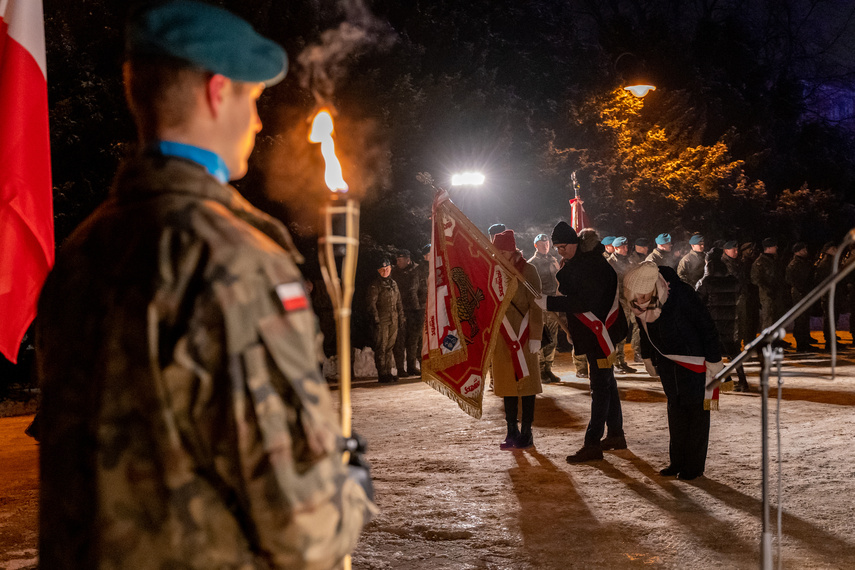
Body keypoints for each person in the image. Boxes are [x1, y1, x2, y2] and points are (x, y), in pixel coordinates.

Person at [34, 3, 376, 568]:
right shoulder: (232, 258)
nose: (259, 121)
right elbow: (303, 528)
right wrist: (346, 494)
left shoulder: (82, 251)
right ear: (218, 92)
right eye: (253, 98)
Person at [625, 262, 723, 480]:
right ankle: (676, 461)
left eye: (643, 296)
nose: (639, 302)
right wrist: (648, 356)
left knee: (696, 413)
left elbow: (706, 327)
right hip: (669, 365)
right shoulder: (640, 301)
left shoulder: (681, 295)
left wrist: (714, 360)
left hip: (694, 362)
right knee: (676, 412)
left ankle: (694, 466)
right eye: (636, 297)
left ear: (654, 287)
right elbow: (644, 329)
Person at [541, 222, 629, 463]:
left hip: (600, 335)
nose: (560, 252)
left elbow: (582, 301)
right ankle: (616, 434)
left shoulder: (591, 265)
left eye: (562, 247)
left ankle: (592, 443)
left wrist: (549, 303)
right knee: (607, 383)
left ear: (574, 243)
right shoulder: (585, 262)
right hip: (598, 334)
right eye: (557, 248)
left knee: (600, 387)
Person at [492, 230, 544, 449]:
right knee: (506, 386)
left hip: (523, 336)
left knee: (528, 385)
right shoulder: (493, 271)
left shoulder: (528, 271)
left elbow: (536, 304)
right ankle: (511, 430)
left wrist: (535, 336)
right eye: (498, 251)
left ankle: (527, 432)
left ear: (513, 251)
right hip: (502, 337)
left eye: (503, 252)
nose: (500, 255)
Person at [696, 248, 749, 392]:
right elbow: (739, 291)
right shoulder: (732, 280)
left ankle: (722, 381)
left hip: (711, 324)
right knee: (734, 352)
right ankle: (743, 382)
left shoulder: (706, 281)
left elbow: (697, 301)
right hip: (730, 323)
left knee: (709, 355)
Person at [528, 233, 562, 383]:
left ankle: (548, 368)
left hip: (554, 303)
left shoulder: (553, 260)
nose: (546, 246)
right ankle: (540, 370)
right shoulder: (532, 263)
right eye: (542, 244)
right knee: (543, 338)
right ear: (536, 245)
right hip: (541, 305)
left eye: (547, 243)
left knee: (553, 339)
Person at [368, 257, 405, 382]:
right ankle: (382, 374)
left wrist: (401, 317)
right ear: (378, 271)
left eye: (387, 269)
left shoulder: (394, 283)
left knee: (390, 347)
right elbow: (371, 304)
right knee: (381, 347)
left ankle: (388, 372)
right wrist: (376, 320)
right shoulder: (375, 285)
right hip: (382, 320)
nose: (385, 271)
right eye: (383, 269)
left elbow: (399, 302)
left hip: (393, 319)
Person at [607, 237, 638, 374]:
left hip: (628, 301)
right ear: (616, 248)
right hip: (616, 303)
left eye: (626, 246)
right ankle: (615, 362)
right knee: (616, 333)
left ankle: (621, 361)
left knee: (624, 332)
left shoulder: (629, 262)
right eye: (623, 247)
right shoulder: (610, 263)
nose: (626, 249)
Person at [391, 249, 422, 376]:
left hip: (414, 311)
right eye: (397, 260)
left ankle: (411, 366)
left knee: (413, 341)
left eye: (400, 260)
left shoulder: (417, 271)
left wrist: (418, 309)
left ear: (408, 260)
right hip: (400, 310)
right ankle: (400, 369)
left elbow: (418, 290)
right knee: (400, 341)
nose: (398, 262)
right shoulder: (394, 272)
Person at [751, 237, 787, 335]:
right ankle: (767, 344)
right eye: (775, 246)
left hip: (776, 294)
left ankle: (775, 342)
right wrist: (768, 288)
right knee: (768, 320)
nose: (777, 248)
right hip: (767, 295)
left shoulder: (774, 260)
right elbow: (755, 279)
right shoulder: (760, 262)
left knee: (777, 320)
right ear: (769, 247)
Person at [786, 242, 816, 352]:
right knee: (800, 319)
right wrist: (801, 289)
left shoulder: (804, 262)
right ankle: (801, 343)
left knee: (805, 317)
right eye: (803, 250)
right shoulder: (794, 264)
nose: (806, 252)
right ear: (797, 252)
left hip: (804, 292)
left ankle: (805, 340)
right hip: (799, 293)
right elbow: (790, 279)